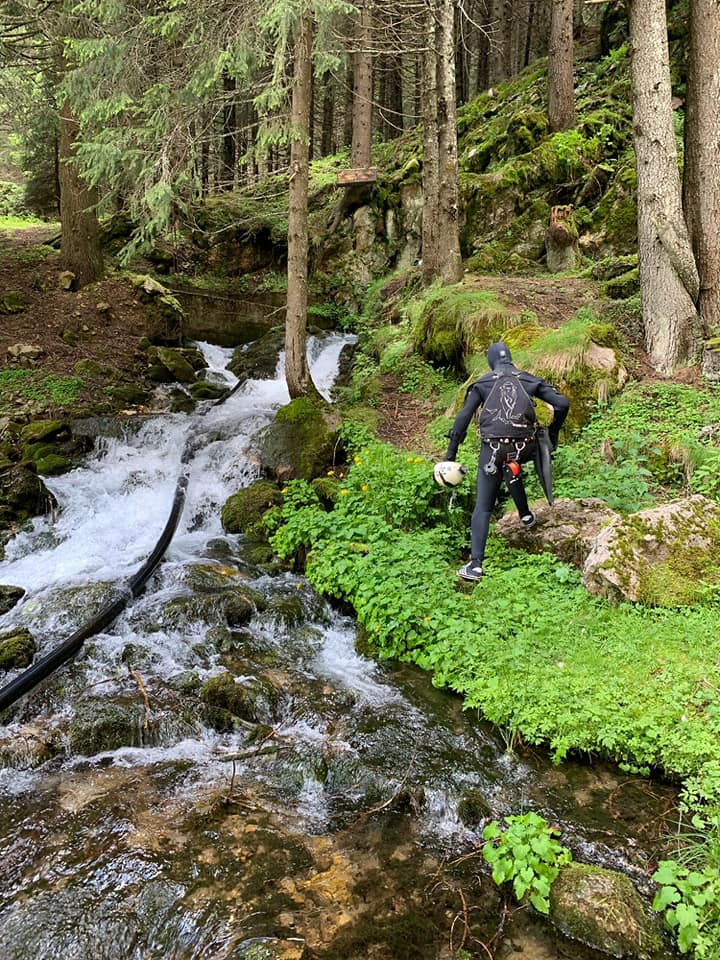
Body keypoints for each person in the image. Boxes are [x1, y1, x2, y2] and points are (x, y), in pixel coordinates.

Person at [444, 341, 569, 582]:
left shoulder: (482, 384)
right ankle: (525, 515)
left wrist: (450, 456)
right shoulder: (528, 379)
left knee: (483, 506)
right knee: (511, 465)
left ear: (491, 362)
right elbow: (562, 404)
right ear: (510, 359)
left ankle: (475, 566)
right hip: (525, 447)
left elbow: (463, 418)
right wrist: (552, 433)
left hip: (492, 449)